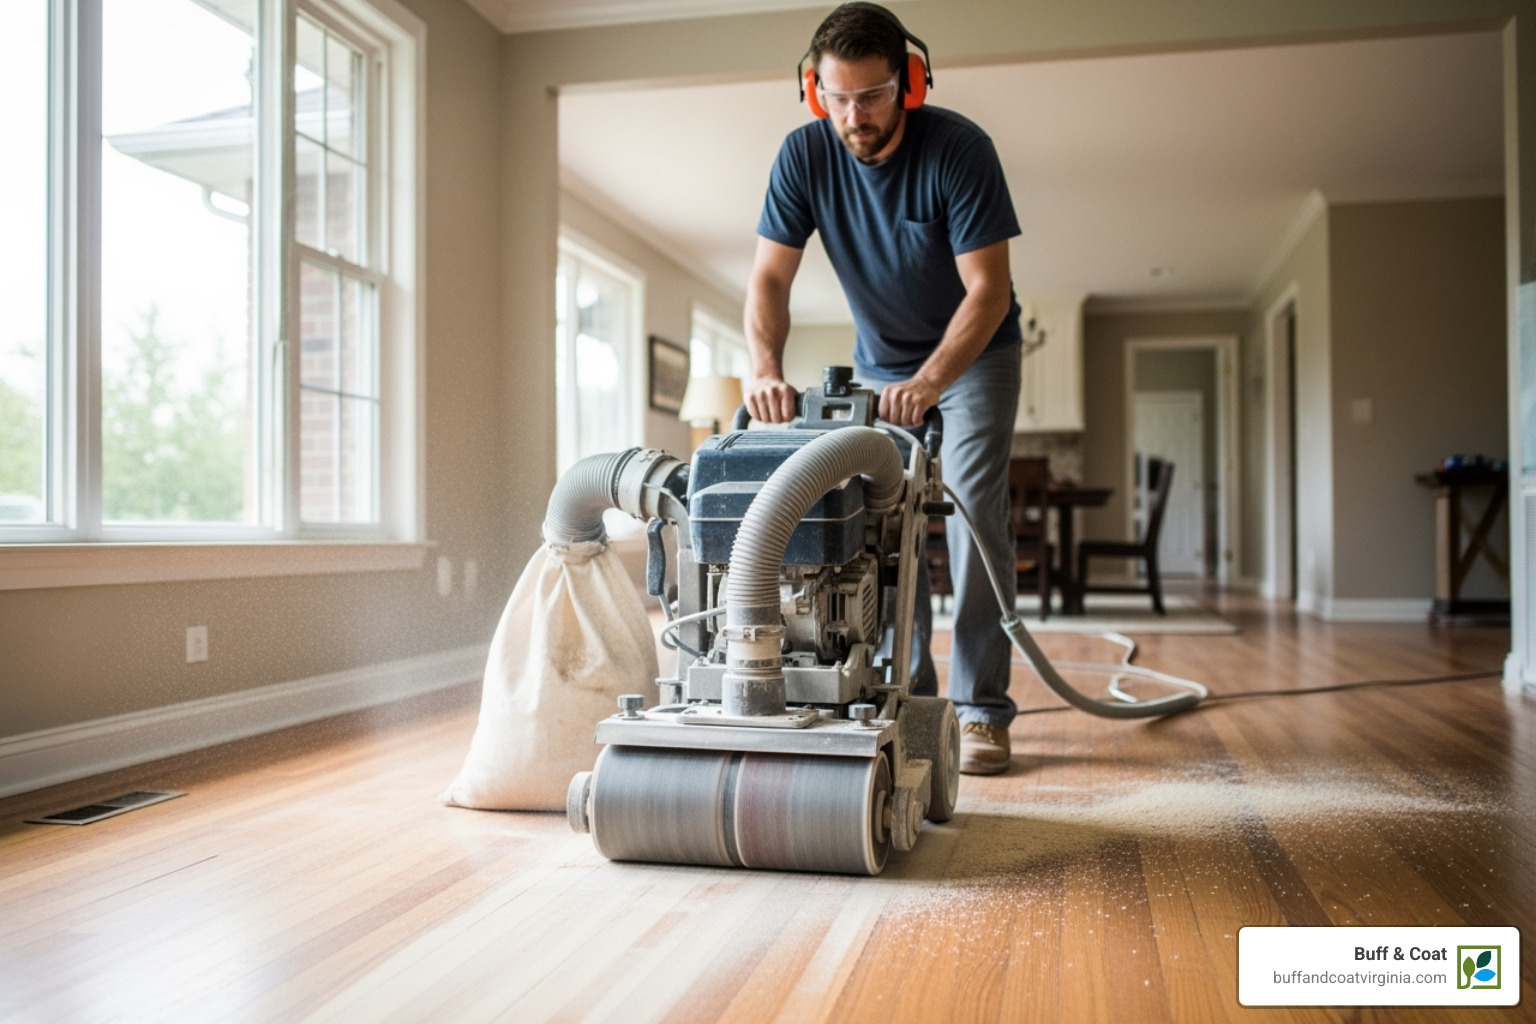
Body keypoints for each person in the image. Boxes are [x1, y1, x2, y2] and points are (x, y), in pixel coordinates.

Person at [743, 1, 1025, 775]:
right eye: (836, 97)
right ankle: (913, 699)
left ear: (908, 85)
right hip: (880, 367)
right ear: (815, 91)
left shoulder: (960, 150)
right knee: (883, 524)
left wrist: (932, 380)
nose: (853, 115)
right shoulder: (804, 156)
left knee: (970, 509)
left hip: (974, 356)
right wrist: (765, 369)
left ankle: (982, 710)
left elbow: (988, 291)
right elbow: (770, 275)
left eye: (870, 96)